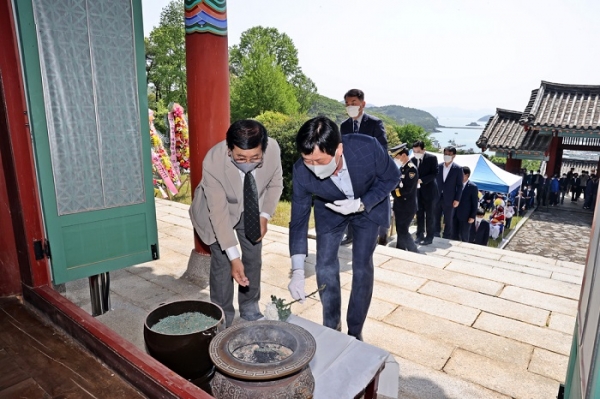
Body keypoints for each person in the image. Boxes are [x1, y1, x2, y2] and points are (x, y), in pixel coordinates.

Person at [288, 116, 399, 341]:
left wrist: (361, 203)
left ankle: (355, 330)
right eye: (307, 160)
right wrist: (298, 270)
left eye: (319, 161)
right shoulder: (301, 171)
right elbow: (298, 220)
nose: (313, 168)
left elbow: (392, 177)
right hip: (330, 208)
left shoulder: (366, 148)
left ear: (339, 149)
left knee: (361, 266)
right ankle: (331, 325)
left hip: (367, 206)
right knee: (325, 264)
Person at [189, 120, 283, 327]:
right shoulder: (214, 161)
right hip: (217, 212)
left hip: (251, 207)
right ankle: (222, 317)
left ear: (264, 148)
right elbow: (219, 213)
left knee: (253, 257)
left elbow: (276, 184)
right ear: (229, 148)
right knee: (223, 264)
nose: (248, 162)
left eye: (255, 157)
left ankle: (250, 307)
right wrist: (234, 257)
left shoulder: (273, 150)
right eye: (240, 157)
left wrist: (264, 215)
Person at [339, 89, 388, 245]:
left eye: (354, 103)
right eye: (347, 103)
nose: (350, 106)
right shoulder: (344, 126)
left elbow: (382, 149)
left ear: (363, 104)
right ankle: (351, 235)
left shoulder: (375, 123)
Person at [389, 143, 420, 253]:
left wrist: (393, 192)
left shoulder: (411, 170)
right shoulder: (402, 168)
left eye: (397, 157)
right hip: (399, 205)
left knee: (403, 230)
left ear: (403, 155)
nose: (396, 159)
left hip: (407, 205)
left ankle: (414, 250)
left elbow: (407, 189)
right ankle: (400, 250)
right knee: (400, 229)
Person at [411, 140, 439, 245]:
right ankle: (419, 235)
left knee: (430, 215)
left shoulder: (431, 158)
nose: (416, 153)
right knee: (419, 214)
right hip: (418, 192)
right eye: (414, 151)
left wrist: (422, 180)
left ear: (423, 150)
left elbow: (435, 173)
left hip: (430, 191)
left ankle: (429, 237)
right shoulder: (413, 160)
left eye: (418, 151)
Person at [434, 146, 464, 239]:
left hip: (450, 199)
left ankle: (446, 236)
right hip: (437, 197)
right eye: (445, 154)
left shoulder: (458, 169)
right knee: (436, 217)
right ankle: (435, 235)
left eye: (449, 154)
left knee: (448, 219)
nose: (447, 156)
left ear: (454, 156)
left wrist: (457, 199)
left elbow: (460, 185)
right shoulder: (438, 166)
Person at [451, 166, 478, 242]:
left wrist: (472, 216)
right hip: (454, 214)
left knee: (464, 235)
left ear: (466, 175)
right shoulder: (455, 184)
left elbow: (474, 203)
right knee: (453, 235)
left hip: (465, 216)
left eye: (461, 174)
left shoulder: (473, 187)